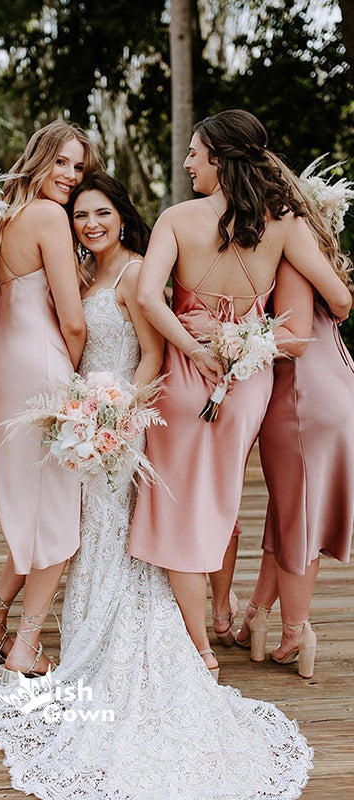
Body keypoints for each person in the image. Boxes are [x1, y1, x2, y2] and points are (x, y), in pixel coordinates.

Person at [0, 171, 314, 800]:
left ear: (121, 216)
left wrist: (118, 415)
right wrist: (79, 411)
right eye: (80, 216)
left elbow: (153, 356)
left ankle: (116, 644)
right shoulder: (81, 275)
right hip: (83, 422)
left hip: (124, 425)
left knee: (114, 532)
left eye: (101, 213)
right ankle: (57, 631)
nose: (90, 224)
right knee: (80, 530)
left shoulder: (133, 272)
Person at [127, 109, 353, 680]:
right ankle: (226, 613)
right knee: (222, 498)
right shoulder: (284, 224)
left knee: (177, 504)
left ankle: (202, 640)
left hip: (184, 375)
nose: (188, 163)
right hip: (248, 382)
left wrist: (196, 347)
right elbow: (339, 301)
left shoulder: (177, 219)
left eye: (194, 153)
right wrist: (243, 337)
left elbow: (150, 298)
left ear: (219, 158)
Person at [0, 121, 100, 681]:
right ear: (40, 158)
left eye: (78, 167)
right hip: (41, 370)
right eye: (61, 162)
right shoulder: (48, 216)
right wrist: (78, 381)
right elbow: (74, 321)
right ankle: (25, 646)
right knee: (58, 515)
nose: (70, 175)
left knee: (35, 508)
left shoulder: (3, 216)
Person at [219, 166, 354, 677]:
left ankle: (296, 631)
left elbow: (313, 322)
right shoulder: (300, 241)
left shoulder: (288, 249)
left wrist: (228, 337)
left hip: (301, 393)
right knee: (290, 509)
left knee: (299, 517)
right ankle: (257, 613)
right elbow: (339, 304)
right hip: (331, 382)